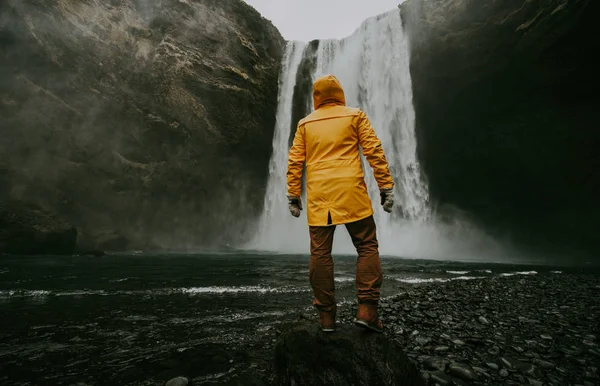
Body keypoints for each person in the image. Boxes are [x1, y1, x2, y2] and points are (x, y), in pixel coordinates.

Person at [286, 74, 395, 333]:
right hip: (352, 192)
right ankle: (367, 312)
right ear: (340, 93)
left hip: (320, 198)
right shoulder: (354, 115)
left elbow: (294, 162)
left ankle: (326, 319)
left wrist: (293, 195)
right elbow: (373, 151)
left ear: (317, 97)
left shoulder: (305, 124)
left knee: (320, 254)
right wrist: (385, 186)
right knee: (367, 246)